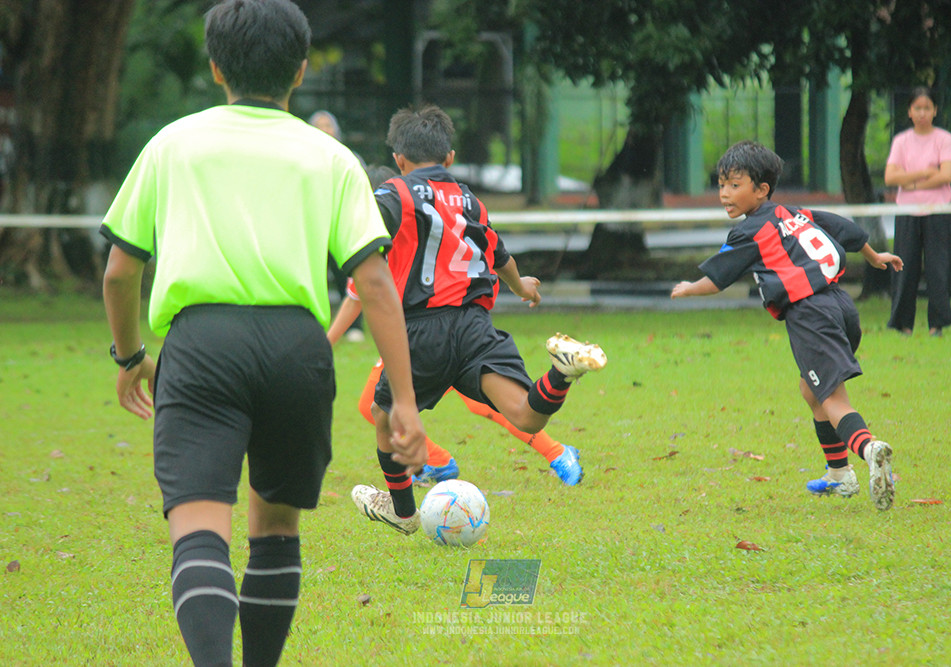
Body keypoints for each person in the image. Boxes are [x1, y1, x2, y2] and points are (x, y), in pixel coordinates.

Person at [101, 2, 423, 665]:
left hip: (199, 346)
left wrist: (132, 354)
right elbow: (377, 285)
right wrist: (408, 403)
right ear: (301, 71)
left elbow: (118, 272)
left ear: (215, 67)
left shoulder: (173, 143)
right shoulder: (331, 158)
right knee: (275, 525)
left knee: (198, 528)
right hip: (296, 349)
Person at [350, 104, 607, 535]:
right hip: (474, 326)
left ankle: (403, 512)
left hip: (420, 330)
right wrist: (521, 286)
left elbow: (364, 226)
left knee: (381, 412)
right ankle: (561, 374)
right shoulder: (469, 199)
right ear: (449, 157)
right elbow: (496, 249)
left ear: (398, 160)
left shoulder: (393, 193)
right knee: (525, 416)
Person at [671, 140, 902, 511]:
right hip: (841, 306)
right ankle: (839, 475)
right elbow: (844, 229)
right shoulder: (792, 212)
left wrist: (688, 289)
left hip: (811, 315)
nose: (724, 194)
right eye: (721, 184)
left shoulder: (749, 233)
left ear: (760, 189)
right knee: (810, 391)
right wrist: (875, 257)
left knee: (831, 397)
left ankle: (870, 448)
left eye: (735, 185)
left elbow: (719, 277)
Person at [328, 280, 585, 486]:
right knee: (373, 406)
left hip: (440, 329)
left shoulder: (405, 227)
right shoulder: (382, 235)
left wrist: (515, 282)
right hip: (414, 334)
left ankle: (558, 453)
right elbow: (356, 295)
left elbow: (486, 245)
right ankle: (437, 462)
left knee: (485, 404)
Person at [883, 86, 951, 337]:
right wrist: (925, 173)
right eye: (918, 108)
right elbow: (891, 176)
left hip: (938, 211)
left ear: (935, 110)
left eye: (927, 108)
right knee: (904, 268)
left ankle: (937, 325)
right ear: (909, 111)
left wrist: (912, 183)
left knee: (939, 268)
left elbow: (946, 175)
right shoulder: (901, 141)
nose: (922, 113)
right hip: (908, 212)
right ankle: (903, 325)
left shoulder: (944, 139)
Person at [309, 109, 366, 342]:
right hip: (313, 229)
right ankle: (312, 326)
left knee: (348, 277)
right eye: (318, 125)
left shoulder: (348, 157)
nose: (324, 130)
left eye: (328, 125)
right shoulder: (302, 157)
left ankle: (354, 328)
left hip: (341, 228)